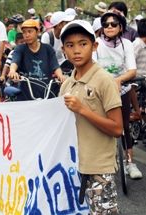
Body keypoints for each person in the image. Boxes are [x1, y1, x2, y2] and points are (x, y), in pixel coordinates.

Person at [59, 19, 123, 214]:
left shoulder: (104, 80)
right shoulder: (67, 85)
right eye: (70, 45)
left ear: (94, 46)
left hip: (99, 168)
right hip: (73, 166)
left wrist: (83, 110)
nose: (76, 50)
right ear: (63, 50)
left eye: (83, 44)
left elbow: (117, 128)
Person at [94, 10, 142, 179]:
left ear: (121, 27)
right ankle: (102, 163)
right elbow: (94, 67)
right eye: (106, 24)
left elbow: (132, 70)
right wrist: (106, 82)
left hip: (122, 88)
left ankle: (129, 162)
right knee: (100, 127)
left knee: (125, 128)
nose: (109, 27)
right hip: (101, 89)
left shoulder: (127, 44)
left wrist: (118, 81)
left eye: (113, 24)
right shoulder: (96, 44)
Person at [8, 19, 66, 100]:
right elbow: (15, 61)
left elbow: (55, 66)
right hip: (27, 95)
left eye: (29, 31)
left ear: (38, 32)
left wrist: (61, 76)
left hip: (47, 92)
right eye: (24, 32)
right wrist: (12, 71)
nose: (26, 35)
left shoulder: (48, 49)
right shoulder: (20, 49)